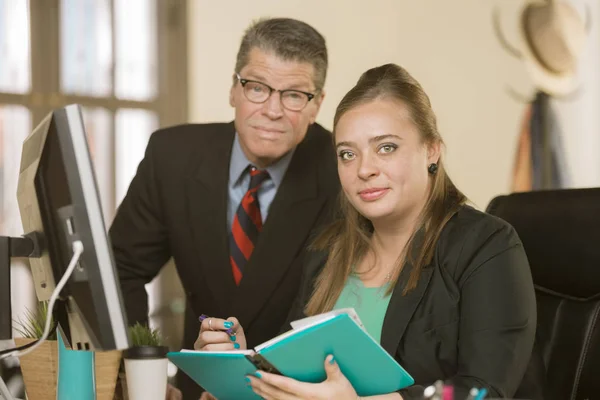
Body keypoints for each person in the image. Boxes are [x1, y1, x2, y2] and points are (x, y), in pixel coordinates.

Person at [195, 63, 542, 399]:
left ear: (431, 150)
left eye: (386, 147)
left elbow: (483, 391)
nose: (364, 169)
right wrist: (249, 370)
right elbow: (302, 373)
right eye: (347, 154)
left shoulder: (487, 245)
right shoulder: (327, 251)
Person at [109, 17, 340, 399]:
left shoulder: (343, 171)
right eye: (257, 88)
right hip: (198, 391)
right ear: (234, 88)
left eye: (295, 95)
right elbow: (120, 270)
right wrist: (142, 375)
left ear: (317, 105)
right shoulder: (172, 157)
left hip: (297, 392)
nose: (273, 110)